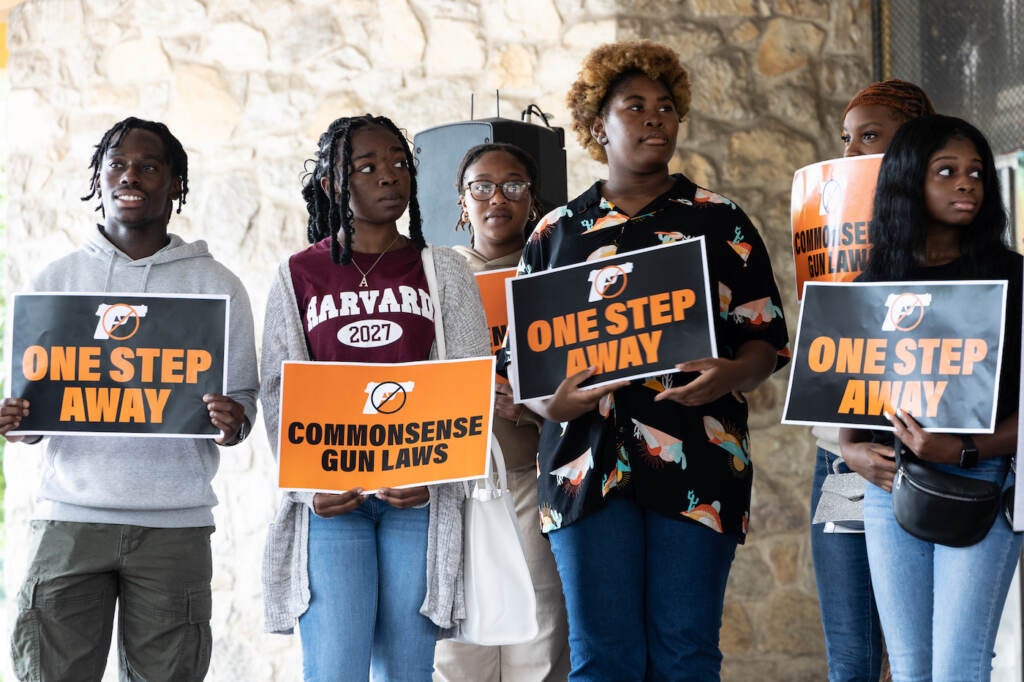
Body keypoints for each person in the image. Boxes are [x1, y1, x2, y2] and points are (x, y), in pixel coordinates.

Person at [508, 41, 790, 681]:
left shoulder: (719, 220)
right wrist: (551, 403)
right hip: (584, 468)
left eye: (665, 107)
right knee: (601, 659)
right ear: (597, 124)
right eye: (634, 106)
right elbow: (520, 368)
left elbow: (765, 338)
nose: (654, 118)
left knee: (685, 654)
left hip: (701, 458)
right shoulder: (556, 231)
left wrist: (731, 373)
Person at [0, 117, 258, 681]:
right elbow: (24, 413)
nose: (130, 176)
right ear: (99, 176)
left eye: (149, 165)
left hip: (174, 528)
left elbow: (242, 404)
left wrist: (233, 422)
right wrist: (17, 422)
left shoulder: (217, 285)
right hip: (70, 522)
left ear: (175, 184)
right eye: (116, 164)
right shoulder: (56, 282)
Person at [259, 114, 490, 681]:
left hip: (418, 497)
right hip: (334, 499)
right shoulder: (299, 274)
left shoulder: (442, 272)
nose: (389, 177)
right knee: (335, 669)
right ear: (335, 186)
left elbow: (471, 382)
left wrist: (438, 476)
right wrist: (307, 484)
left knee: (406, 673)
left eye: (398, 163)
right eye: (367, 167)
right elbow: (277, 390)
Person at [839, 114, 1022, 681]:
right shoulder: (869, 283)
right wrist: (849, 450)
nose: (966, 183)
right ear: (908, 182)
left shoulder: (1015, 279)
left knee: (958, 667)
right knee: (914, 669)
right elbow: (844, 391)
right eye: (946, 172)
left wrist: (964, 449)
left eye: (975, 173)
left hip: (984, 478)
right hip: (886, 486)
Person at [810, 79, 935, 682]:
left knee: (922, 655)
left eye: (871, 137)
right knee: (853, 656)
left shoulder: (958, 231)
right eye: (847, 140)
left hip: (934, 454)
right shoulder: (830, 228)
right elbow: (827, 355)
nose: (854, 153)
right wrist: (848, 444)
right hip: (842, 456)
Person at [433, 143, 570, 681]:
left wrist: (534, 406)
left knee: (537, 633)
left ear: (532, 199)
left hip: (530, 474)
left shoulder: (556, 275)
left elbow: (592, 372)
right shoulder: (435, 276)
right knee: (456, 640)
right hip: (452, 478)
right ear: (463, 202)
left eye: (514, 185)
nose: (498, 198)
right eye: (481, 186)